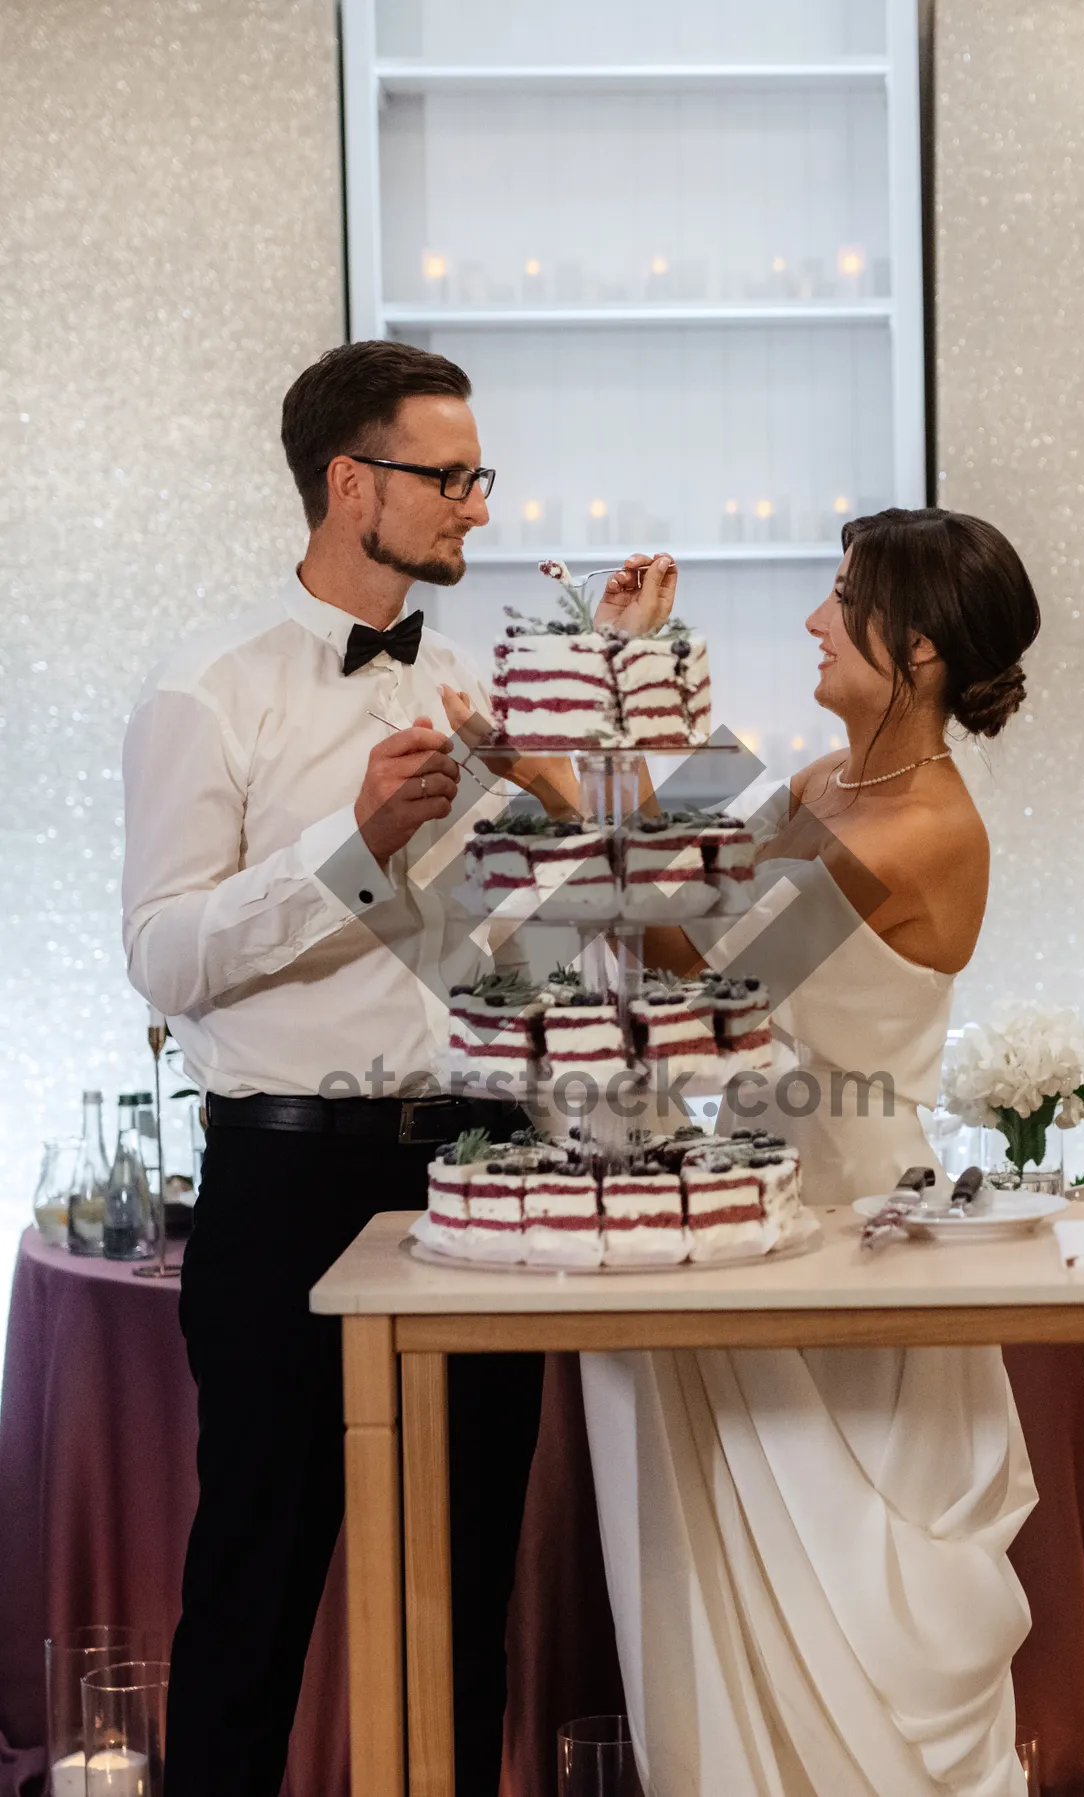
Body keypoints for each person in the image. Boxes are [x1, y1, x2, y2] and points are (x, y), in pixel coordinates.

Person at [120, 338, 672, 1797]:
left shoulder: (482, 701)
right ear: (348, 481)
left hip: (480, 1177)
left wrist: (597, 726)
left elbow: (585, 941)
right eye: (451, 477)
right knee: (256, 1581)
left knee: (462, 1591)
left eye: (481, 476)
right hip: (289, 1181)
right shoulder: (207, 690)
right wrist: (347, 854)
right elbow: (165, 962)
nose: (478, 508)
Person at [578, 506, 1045, 1796]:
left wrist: (582, 736)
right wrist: (634, 660)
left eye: (844, 598)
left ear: (924, 650)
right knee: (724, 1576)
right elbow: (697, 874)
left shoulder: (930, 825)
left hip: (853, 1232)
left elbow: (701, 951)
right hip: (753, 1205)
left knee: (850, 1593)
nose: (814, 619)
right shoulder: (824, 786)